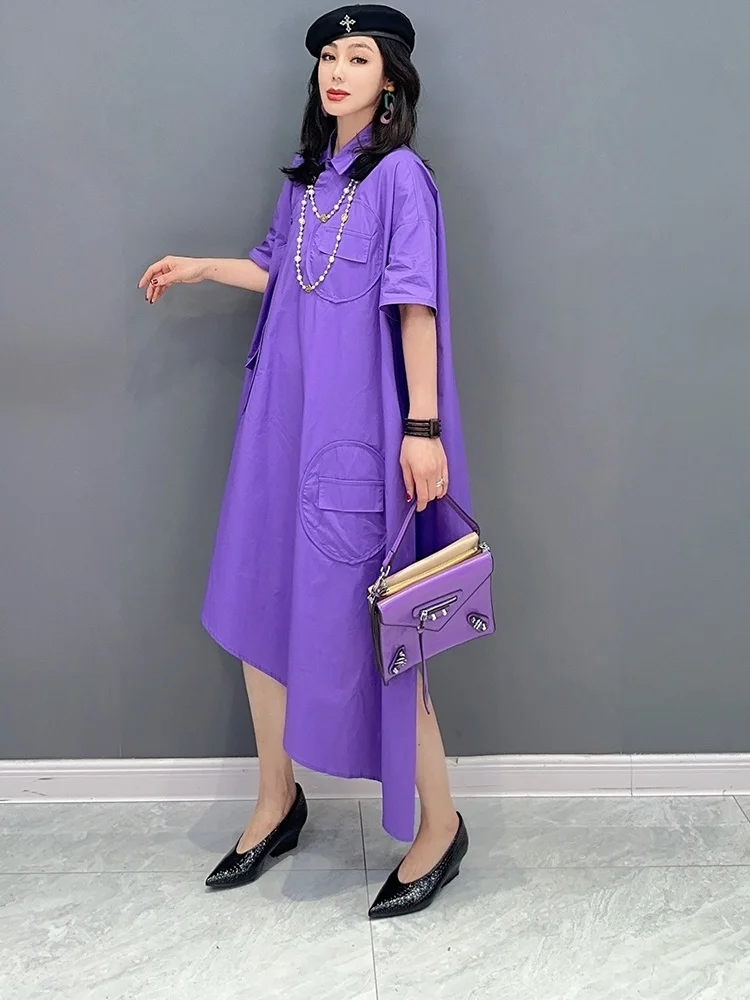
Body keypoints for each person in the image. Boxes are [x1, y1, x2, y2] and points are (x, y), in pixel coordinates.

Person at [138, 3, 472, 919]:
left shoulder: (402, 179)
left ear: (391, 80)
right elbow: (278, 269)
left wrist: (424, 429)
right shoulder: (306, 179)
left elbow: (416, 307)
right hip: (281, 425)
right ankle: (275, 800)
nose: (336, 69)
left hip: (358, 435)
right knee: (263, 604)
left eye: (358, 57)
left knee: (383, 628)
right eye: (328, 55)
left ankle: (441, 826)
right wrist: (205, 268)